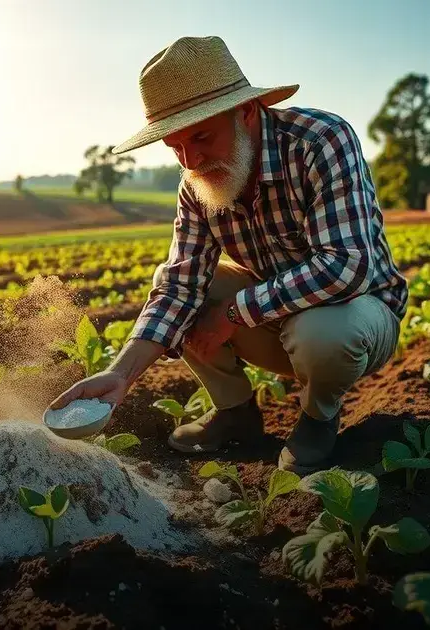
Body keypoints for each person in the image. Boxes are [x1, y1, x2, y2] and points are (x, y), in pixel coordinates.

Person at [47, 36, 408, 475]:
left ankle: (318, 417)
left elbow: (347, 266)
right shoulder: (196, 184)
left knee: (321, 332)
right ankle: (235, 413)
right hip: (275, 318)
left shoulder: (320, 141)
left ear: (247, 112)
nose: (191, 159)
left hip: (355, 317)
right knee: (183, 286)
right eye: (174, 146)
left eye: (201, 136)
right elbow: (180, 286)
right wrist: (121, 373)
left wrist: (236, 312)